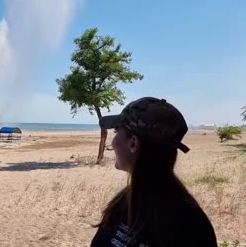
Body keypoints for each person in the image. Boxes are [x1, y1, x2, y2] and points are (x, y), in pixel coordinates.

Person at [90, 97, 217, 247]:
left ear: (133, 143)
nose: (113, 141)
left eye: (116, 131)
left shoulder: (190, 223)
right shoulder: (126, 200)